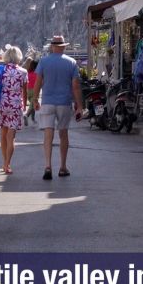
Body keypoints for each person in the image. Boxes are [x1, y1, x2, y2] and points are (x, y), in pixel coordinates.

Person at [30, 35, 82, 180]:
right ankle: (63, 167)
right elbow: (76, 86)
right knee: (63, 134)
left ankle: (47, 166)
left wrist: (35, 100)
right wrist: (79, 106)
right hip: (64, 103)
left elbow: (38, 82)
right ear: (64, 46)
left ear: (52, 47)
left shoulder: (44, 62)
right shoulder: (71, 62)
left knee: (48, 134)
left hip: (47, 102)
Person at [0, 46, 29, 175]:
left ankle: (5, 162)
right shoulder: (23, 72)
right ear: (18, 57)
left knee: (3, 135)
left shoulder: (0, 70)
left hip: (2, 104)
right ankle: (7, 164)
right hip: (15, 105)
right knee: (11, 137)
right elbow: (24, 91)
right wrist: (25, 105)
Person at [23, 56, 40, 126]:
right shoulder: (37, 73)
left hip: (28, 90)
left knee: (32, 104)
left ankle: (33, 118)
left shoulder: (27, 72)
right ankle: (26, 115)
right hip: (34, 90)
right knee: (33, 104)